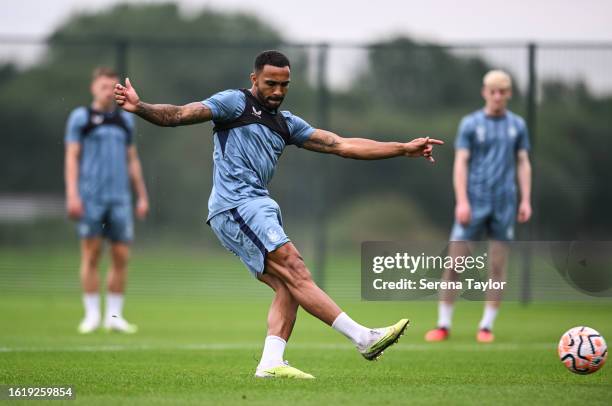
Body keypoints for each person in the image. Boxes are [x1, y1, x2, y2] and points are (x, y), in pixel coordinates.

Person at [114, 50, 443, 379]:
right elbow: (181, 114)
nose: (278, 91)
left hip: (257, 206)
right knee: (295, 268)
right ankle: (363, 337)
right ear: (253, 79)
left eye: (284, 85)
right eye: (270, 83)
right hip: (237, 205)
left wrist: (402, 148)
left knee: (290, 286)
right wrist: (140, 107)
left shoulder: (286, 124)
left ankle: (270, 363)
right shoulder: (234, 103)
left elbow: (341, 145)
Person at [425, 70, 532, 343]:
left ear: (508, 94)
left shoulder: (517, 125)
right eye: (493, 91)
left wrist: (525, 199)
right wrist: (461, 200)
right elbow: (461, 162)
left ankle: (486, 326)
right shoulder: (471, 124)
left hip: (504, 204)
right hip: (473, 201)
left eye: (503, 91)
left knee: (497, 265)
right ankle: (443, 324)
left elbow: (522, 162)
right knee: (454, 263)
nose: (497, 96)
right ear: (485, 92)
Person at [65, 67, 149, 334]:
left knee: (121, 256)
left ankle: (114, 316)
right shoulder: (81, 117)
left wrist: (142, 195)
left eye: (112, 87)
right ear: (93, 88)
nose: (107, 91)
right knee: (91, 254)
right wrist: (72, 194)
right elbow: (71, 157)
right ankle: (91, 316)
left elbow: (132, 159)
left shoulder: (125, 120)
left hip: (120, 199)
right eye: (103, 86)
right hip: (91, 198)